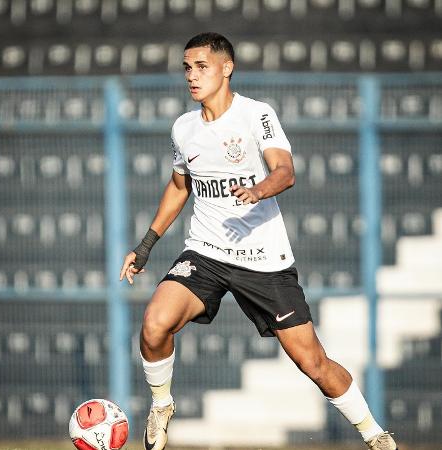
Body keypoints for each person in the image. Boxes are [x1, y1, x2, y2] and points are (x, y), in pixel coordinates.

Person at [119, 32, 398, 450]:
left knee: (313, 363)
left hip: (263, 260)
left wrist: (259, 190)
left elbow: (285, 170)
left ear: (226, 68)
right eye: (186, 68)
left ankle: (374, 434)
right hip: (206, 253)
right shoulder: (184, 128)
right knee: (154, 324)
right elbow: (180, 187)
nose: (191, 77)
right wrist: (146, 245)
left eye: (201, 67)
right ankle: (161, 405)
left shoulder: (256, 115)